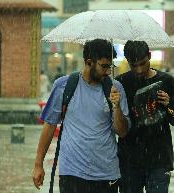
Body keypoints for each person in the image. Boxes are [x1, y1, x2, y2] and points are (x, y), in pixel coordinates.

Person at [32, 39, 130, 193]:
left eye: (110, 66)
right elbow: (49, 126)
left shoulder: (115, 89)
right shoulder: (64, 86)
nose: (108, 71)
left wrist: (116, 107)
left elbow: (122, 131)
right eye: (104, 66)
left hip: (106, 174)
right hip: (72, 173)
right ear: (89, 62)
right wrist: (38, 164)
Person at [115, 40, 174, 193]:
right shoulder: (120, 83)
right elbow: (117, 125)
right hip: (129, 159)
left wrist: (168, 105)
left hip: (159, 159)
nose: (138, 70)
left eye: (142, 63)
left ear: (149, 56)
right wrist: (115, 104)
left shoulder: (166, 81)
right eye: (133, 65)